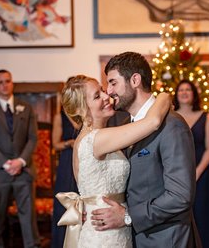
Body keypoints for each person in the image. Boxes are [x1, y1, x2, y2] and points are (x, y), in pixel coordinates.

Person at [91, 51, 200, 247]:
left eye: (113, 82)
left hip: (167, 238)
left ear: (135, 80)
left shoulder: (172, 125)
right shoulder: (127, 125)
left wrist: (127, 216)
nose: (109, 91)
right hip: (136, 238)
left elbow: (180, 196)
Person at [56, 75, 171, 247]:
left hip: (110, 225)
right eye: (97, 96)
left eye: (102, 90)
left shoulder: (91, 137)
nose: (106, 96)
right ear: (81, 109)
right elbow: (153, 122)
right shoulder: (96, 139)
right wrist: (165, 96)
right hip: (104, 234)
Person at [0, 69, 40, 248]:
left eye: (8, 81)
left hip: (24, 170)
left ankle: (32, 245)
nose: (5, 84)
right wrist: (6, 164)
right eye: (1, 82)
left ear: (12, 83)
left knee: (28, 216)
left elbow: (33, 138)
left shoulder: (26, 107)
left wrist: (20, 161)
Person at [173, 79, 209, 248]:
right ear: (176, 95)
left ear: (194, 94)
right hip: (176, 173)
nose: (184, 92)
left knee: (202, 213)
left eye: (188, 90)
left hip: (202, 174)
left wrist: (197, 172)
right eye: (181, 90)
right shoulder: (170, 117)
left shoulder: (205, 116)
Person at [51, 108, 80, 248]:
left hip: (83, 159)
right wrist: (69, 143)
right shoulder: (59, 116)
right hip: (67, 161)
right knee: (64, 203)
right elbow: (55, 144)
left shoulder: (87, 112)